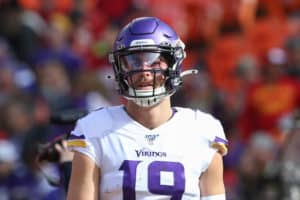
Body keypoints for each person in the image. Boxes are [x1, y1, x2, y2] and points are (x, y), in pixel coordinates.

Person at [66, 16, 228, 200]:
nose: (144, 70)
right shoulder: (94, 130)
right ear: (120, 68)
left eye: (154, 61)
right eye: (134, 61)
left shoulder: (202, 131)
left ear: (174, 64)